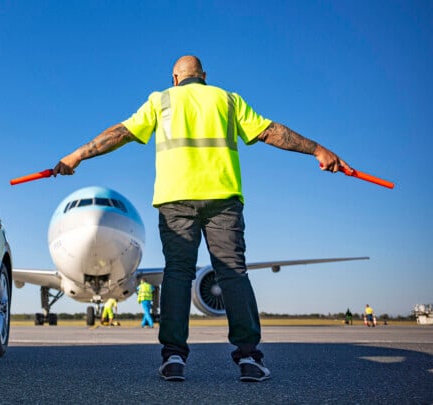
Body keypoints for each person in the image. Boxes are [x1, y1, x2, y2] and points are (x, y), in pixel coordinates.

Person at [52, 55, 349, 383]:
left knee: (177, 274)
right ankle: (249, 358)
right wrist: (318, 149)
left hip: (175, 200)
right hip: (223, 198)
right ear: (204, 76)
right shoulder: (227, 100)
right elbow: (271, 132)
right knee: (233, 272)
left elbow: (120, 133)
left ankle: (174, 357)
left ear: (175, 78)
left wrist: (77, 155)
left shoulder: (161, 100)